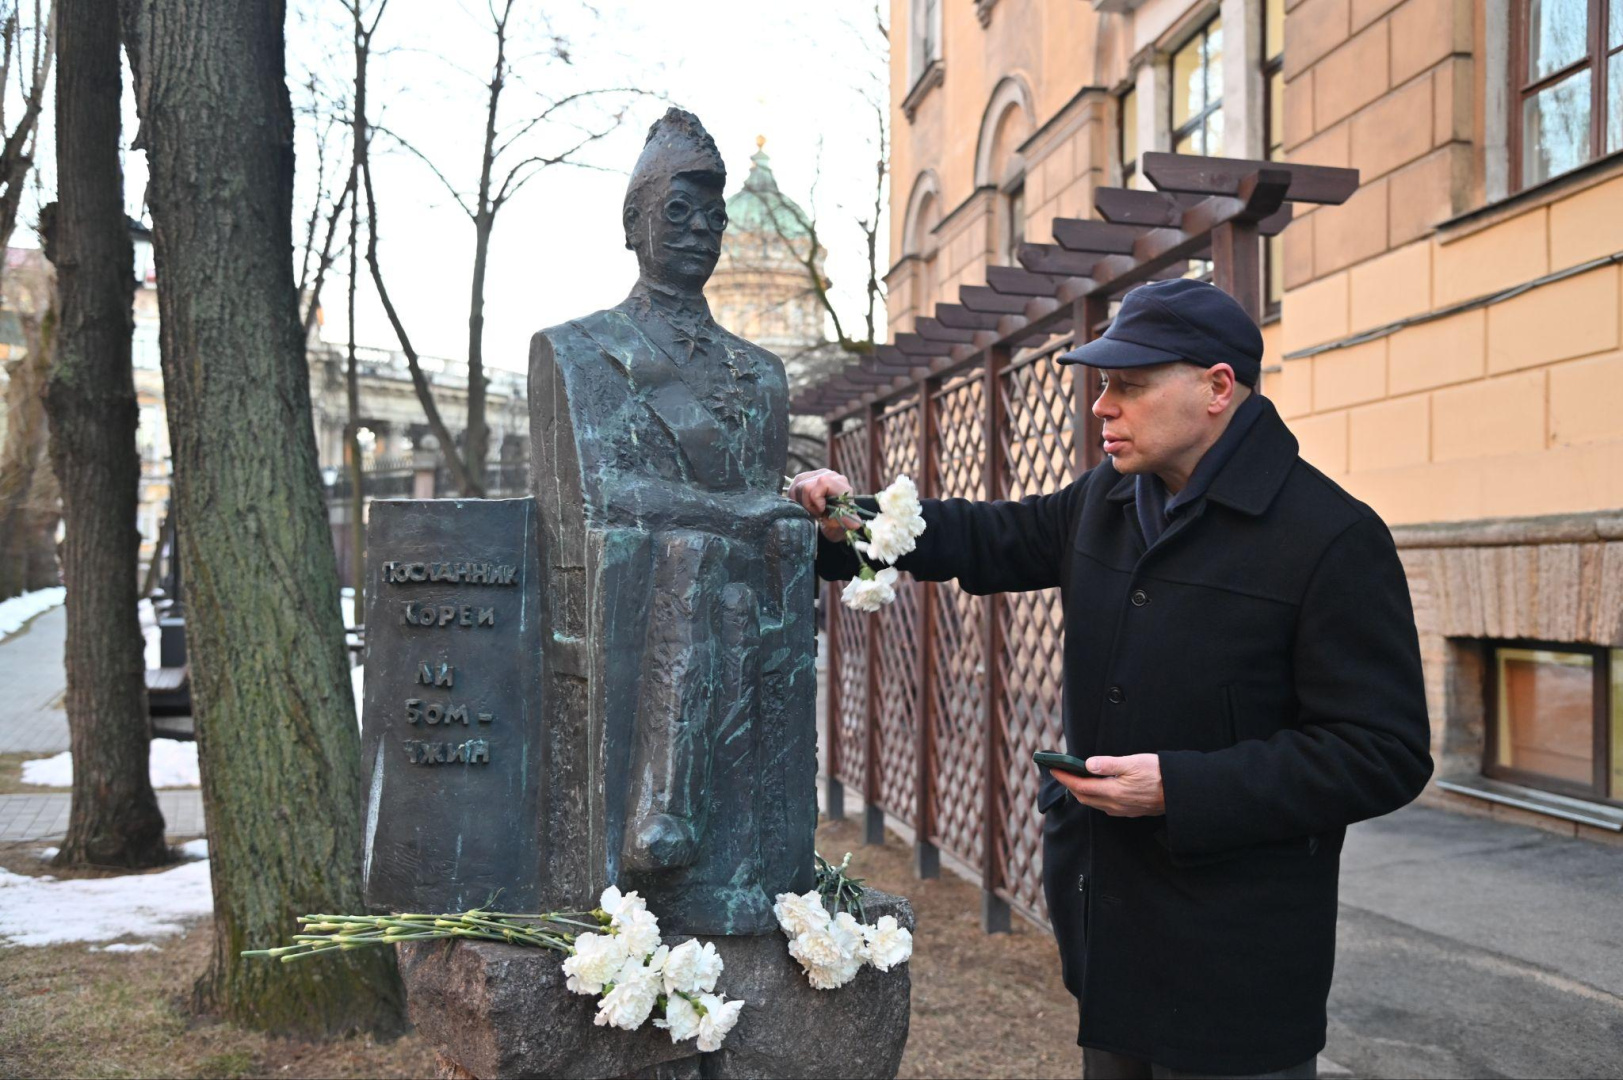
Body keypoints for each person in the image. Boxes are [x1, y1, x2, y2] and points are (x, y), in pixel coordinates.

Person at [789, 278, 1433, 1079]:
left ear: (1216, 387)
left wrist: (1181, 787)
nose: (1101, 405)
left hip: (1238, 962)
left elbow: (1383, 752)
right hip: (1111, 929)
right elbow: (990, 537)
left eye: (1128, 384)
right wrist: (849, 520)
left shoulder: (1332, 537)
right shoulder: (1109, 496)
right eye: (1101, 384)